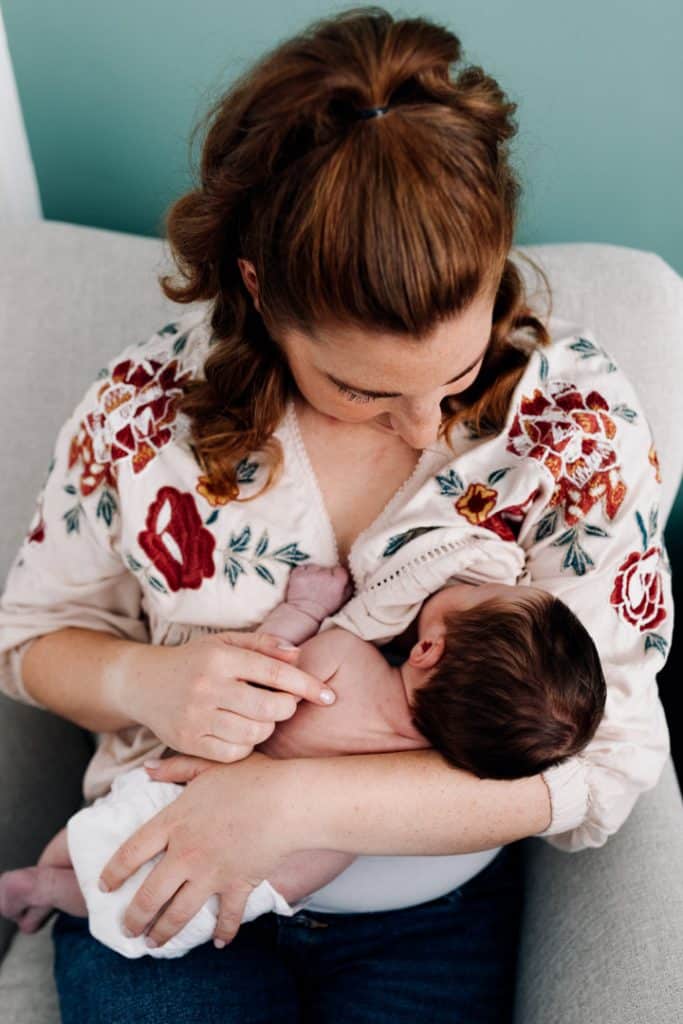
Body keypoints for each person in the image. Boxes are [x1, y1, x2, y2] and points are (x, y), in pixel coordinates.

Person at [0, 7, 673, 1022]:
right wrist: (145, 676)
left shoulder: (568, 424)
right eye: (359, 388)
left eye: (453, 373)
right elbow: (24, 639)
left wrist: (289, 802)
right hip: (164, 879)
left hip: (428, 918)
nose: (420, 428)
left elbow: (609, 753)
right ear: (260, 290)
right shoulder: (143, 417)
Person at [0, 559, 607, 959]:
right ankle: (51, 892)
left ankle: (48, 874)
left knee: (108, 835)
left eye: (476, 592)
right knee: (152, 912)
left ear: (426, 648)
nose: (472, 577)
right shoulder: (438, 765)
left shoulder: (345, 659)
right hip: (256, 891)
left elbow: (268, 664)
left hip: (183, 798)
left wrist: (307, 606)